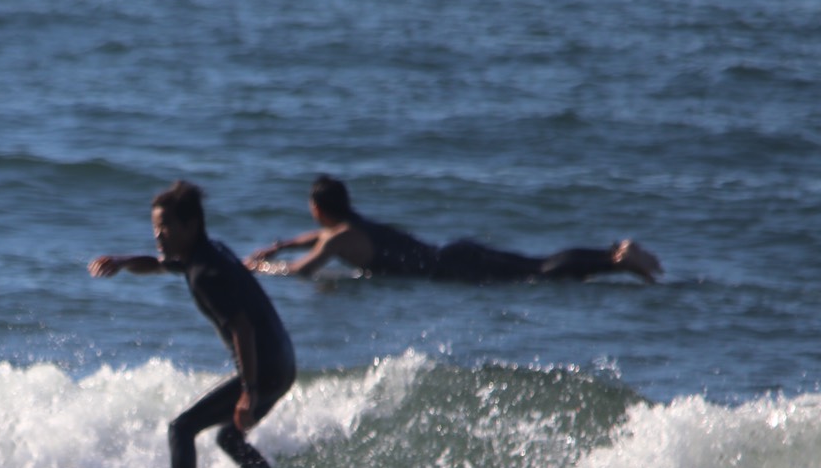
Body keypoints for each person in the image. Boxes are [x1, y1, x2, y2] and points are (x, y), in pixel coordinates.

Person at [90, 180, 297, 468]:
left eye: (165, 227)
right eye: (155, 227)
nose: (158, 235)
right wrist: (122, 262)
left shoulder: (205, 274)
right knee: (229, 439)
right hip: (282, 364)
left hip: (263, 370)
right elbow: (156, 264)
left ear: (191, 226)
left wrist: (248, 392)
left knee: (181, 429)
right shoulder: (206, 253)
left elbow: (243, 329)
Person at [245, 175, 663, 283]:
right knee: (536, 265)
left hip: (452, 271)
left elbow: (304, 270)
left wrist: (263, 268)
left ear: (318, 209)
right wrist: (279, 245)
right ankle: (613, 254)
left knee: (539, 276)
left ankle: (617, 262)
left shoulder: (339, 239)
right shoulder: (351, 226)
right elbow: (310, 239)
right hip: (454, 253)